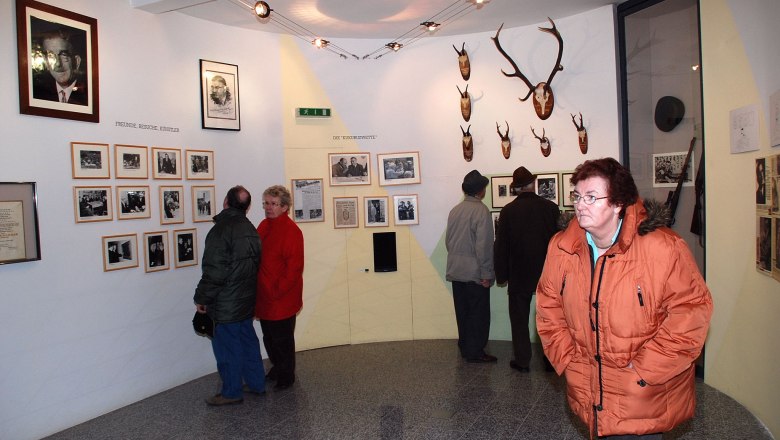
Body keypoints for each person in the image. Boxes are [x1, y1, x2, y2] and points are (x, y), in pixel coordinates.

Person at [536, 158, 713, 438]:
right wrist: (568, 360)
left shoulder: (663, 248)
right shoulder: (562, 247)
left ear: (618, 203)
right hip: (587, 389)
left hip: (641, 398)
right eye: (577, 196)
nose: (580, 204)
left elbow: (691, 313)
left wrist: (643, 371)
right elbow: (548, 307)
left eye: (592, 197)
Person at [194, 185, 265, 406]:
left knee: (227, 348)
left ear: (226, 201)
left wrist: (202, 298)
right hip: (245, 299)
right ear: (246, 206)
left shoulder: (221, 230)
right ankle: (257, 384)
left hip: (225, 303)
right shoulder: (250, 228)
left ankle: (232, 392)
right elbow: (256, 264)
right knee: (248, 341)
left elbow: (214, 270)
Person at [494, 166, 560, 373]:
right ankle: (551, 360)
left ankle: (522, 361)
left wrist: (502, 275)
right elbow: (559, 242)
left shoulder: (508, 211)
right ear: (533, 184)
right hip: (547, 271)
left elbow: (501, 245)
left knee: (519, 318)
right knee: (550, 317)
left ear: (516, 188)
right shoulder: (550, 208)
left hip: (519, 271)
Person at [255, 185, 304, 391]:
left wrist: (276, 291)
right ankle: (277, 367)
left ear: (284, 207)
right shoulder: (263, 226)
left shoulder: (292, 231)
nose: (268, 207)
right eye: (266, 203)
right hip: (264, 295)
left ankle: (286, 375)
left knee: (282, 339)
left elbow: (294, 269)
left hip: (281, 297)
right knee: (269, 337)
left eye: (273, 204)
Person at [446, 170, 496, 363]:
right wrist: (486, 274)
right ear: (481, 190)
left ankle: (465, 345)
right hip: (474, 272)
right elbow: (483, 247)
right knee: (478, 313)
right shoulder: (481, 211)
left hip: (456, 270)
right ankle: (475, 351)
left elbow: (449, 243)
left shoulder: (455, 210)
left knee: (463, 311)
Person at [32, 29, 88, 105]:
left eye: (64, 55)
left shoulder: (87, 96)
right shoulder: (37, 94)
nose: (58, 64)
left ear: (77, 61)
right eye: (50, 55)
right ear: (46, 62)